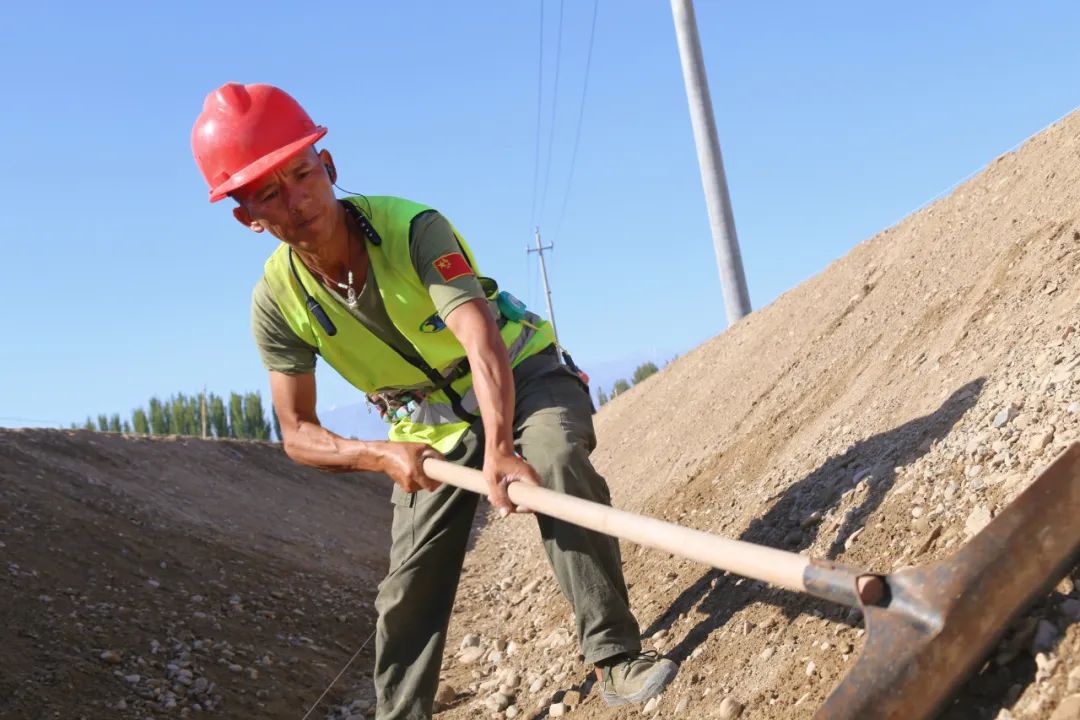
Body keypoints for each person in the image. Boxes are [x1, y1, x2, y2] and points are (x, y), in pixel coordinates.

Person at [191, 82, 677, 719]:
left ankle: (615, 657)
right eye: (269, 193)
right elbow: (297, 432)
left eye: (303, 174)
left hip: (522, 373)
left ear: (328, 166)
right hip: (428, 425)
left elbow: (479, 339)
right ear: (246, 217)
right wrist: (380, 455)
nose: (297, 199)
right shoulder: (276, 302)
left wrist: (500, 448)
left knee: (556, 461)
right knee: (408, 584)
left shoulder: (413, 229)